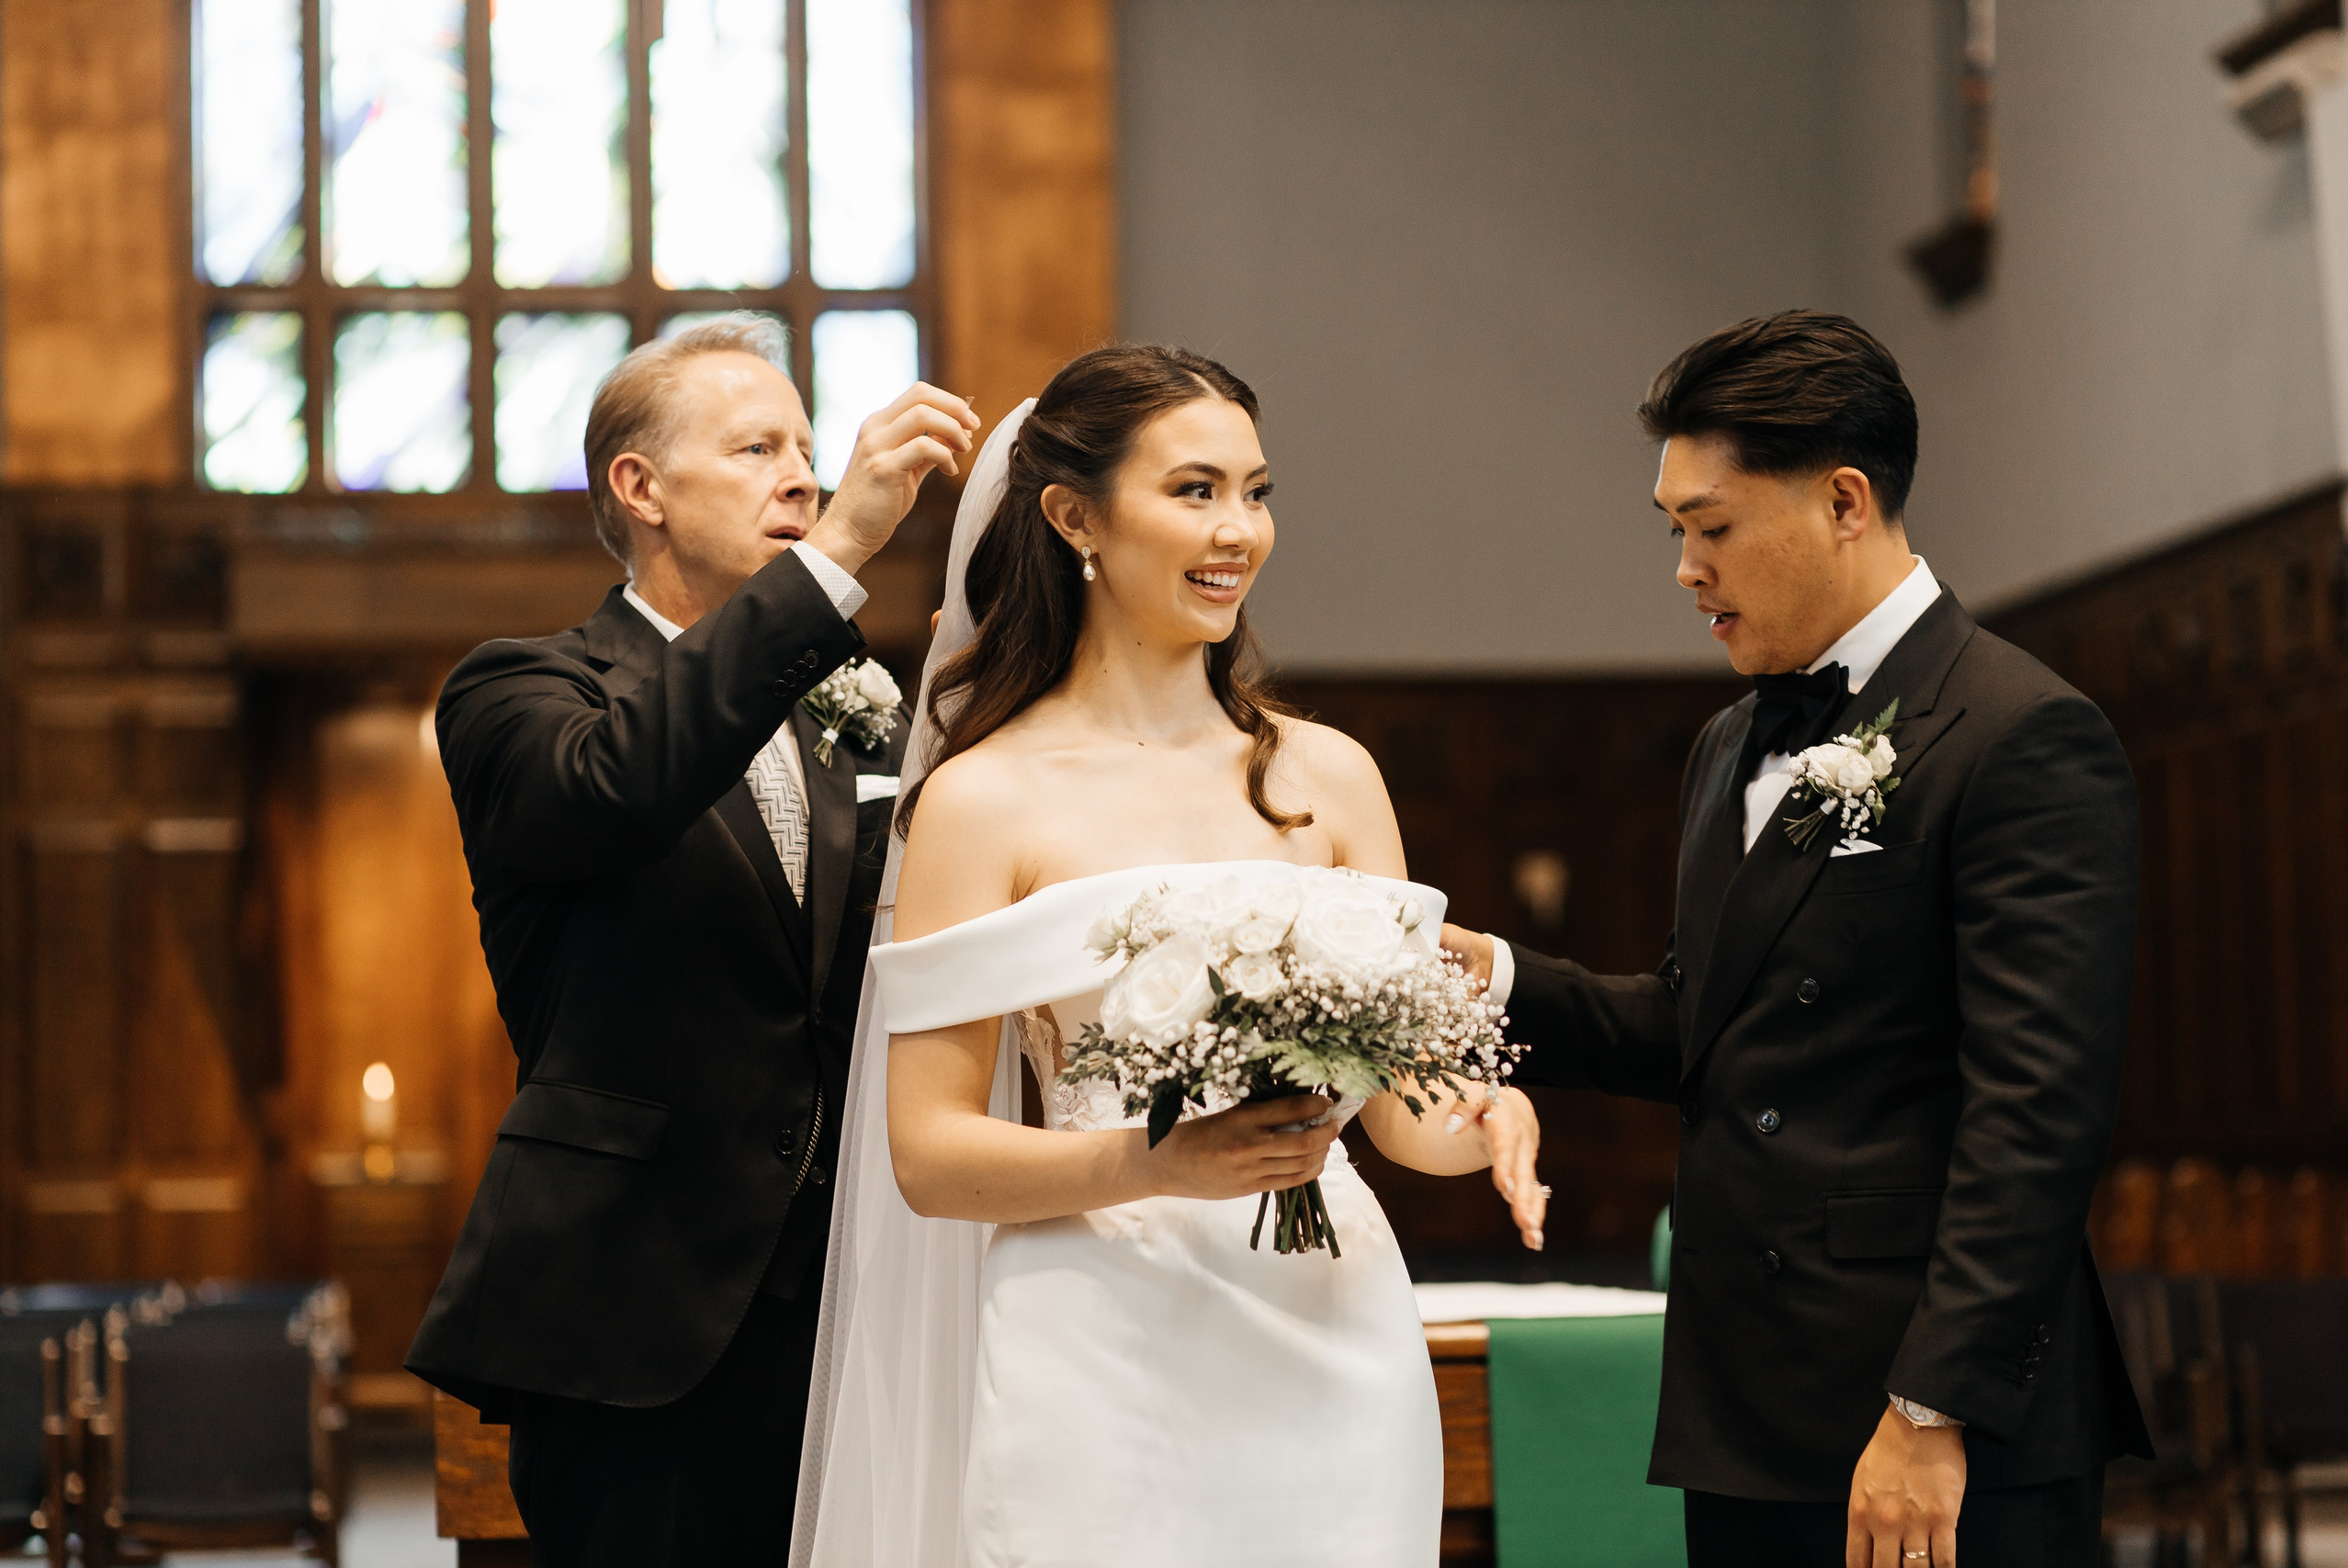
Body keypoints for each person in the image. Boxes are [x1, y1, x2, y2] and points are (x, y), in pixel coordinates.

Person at [790, 344, 1547, 1567]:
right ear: (1074, 516)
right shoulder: (984, 801)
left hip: (1330, 1329)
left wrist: (1482, 1118)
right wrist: (1164, 1160)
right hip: (1097, 1333)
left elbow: (1401, 1110)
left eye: (1256, 491)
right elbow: (928, 1158)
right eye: (1194, 491)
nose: (1238, 529)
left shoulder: (1332, 774)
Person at [1443, 310, 2153, 1567]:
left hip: (1936, 1416)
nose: (1684, 568)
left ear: (1842, 501)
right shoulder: (1730, 745)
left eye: (1710, 528)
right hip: (1752, 1401)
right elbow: (1706, 1028)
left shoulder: (2019, 732)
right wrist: (1487, 975)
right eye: (1676, 532)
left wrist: (1932, 1407)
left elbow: (2034, 1111)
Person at [403, 314, 979, 1566]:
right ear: (641, 486)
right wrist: (833, 559)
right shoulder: (525, 692)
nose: (803, 475)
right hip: (635, 1315)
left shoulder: (855, 715)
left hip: (848, 1302)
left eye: (809, 449)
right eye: (757, 445)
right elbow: (620, 788)